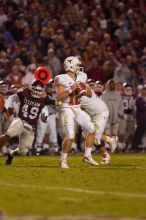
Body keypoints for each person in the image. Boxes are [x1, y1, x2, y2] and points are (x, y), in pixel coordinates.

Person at [55, 56, 98, 169]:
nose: (79, 67)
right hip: (66, 108)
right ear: (71, 66)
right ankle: (63, 160)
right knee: (70, 135)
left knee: (92, 130)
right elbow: (59, 97)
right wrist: (71, 89)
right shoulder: (61, 78)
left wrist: (85, 90)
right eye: (77, 65)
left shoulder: (82, 77)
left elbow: (89, 94)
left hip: (77, 107)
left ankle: (87, 156)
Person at [0, 80, 50, 165]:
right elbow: (12, 97)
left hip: (31, 127)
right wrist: (6, 107)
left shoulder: (43, 100)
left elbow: (45, 114)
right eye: (36, 90)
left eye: (39, 90)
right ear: (32, 88)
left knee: (23, 152)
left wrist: (45, 116)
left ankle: (11, 153)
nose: (37, 92)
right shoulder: (25, 92)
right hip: (20, 120)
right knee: (8, 135)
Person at [80, 79, 118, 164]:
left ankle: (87, 156)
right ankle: (108, 147)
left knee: (95, 137)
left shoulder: (84, 93)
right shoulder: (79, 93)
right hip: (92, 115)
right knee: (87, 135)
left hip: (100, 113)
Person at [35, 79, 59, 155]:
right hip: (43, 115)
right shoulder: (41, 94)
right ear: (46, 87)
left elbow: (57, 106)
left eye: (51, 87)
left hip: (52, 115)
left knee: (53, 132)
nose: (51, 88)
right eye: (49, 87)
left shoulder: (54, 95)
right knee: (41, 132)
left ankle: (56, 149)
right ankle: (38, 149)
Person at [131, 85, 146, 152]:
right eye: (144, 89)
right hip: (141, 118)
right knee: (138, 133)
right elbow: (141, 108)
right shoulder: (139, 98)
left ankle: (138, 147)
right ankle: (134, 147)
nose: (145, 91)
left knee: (142, 134)